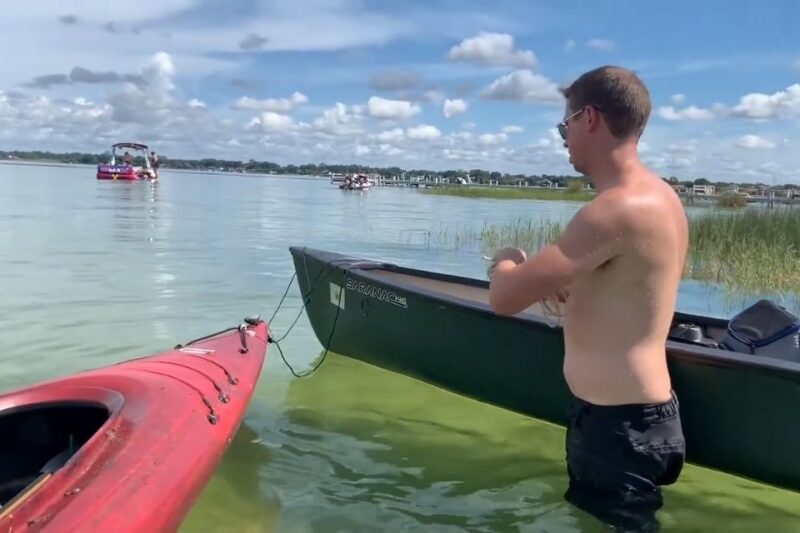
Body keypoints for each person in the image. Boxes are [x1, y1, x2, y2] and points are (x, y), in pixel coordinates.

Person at [487, 66, 688, 532]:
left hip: (619, 427)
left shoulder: (616, 209)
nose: (564, 137)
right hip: (643, 419)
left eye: (566, 124)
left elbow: (504, 298)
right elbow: (633, 288)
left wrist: (505, 259)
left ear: (590, 118)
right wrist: (579, 287)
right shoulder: (661, 197)